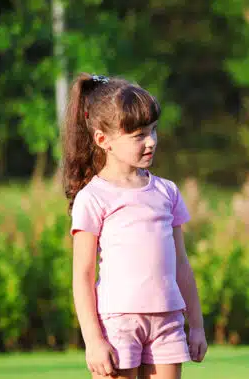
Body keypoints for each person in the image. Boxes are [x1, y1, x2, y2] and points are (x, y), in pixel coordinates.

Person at [63, 73, 207, 379]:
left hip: (167, 322)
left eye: (153, 131)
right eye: (139, 135)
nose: (151, 141)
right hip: (117, 325)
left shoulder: (167, 192)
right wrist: (93, 340)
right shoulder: (93, 197)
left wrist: (196, 325)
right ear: (104, 141)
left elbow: (182, 264)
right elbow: (83, 276)